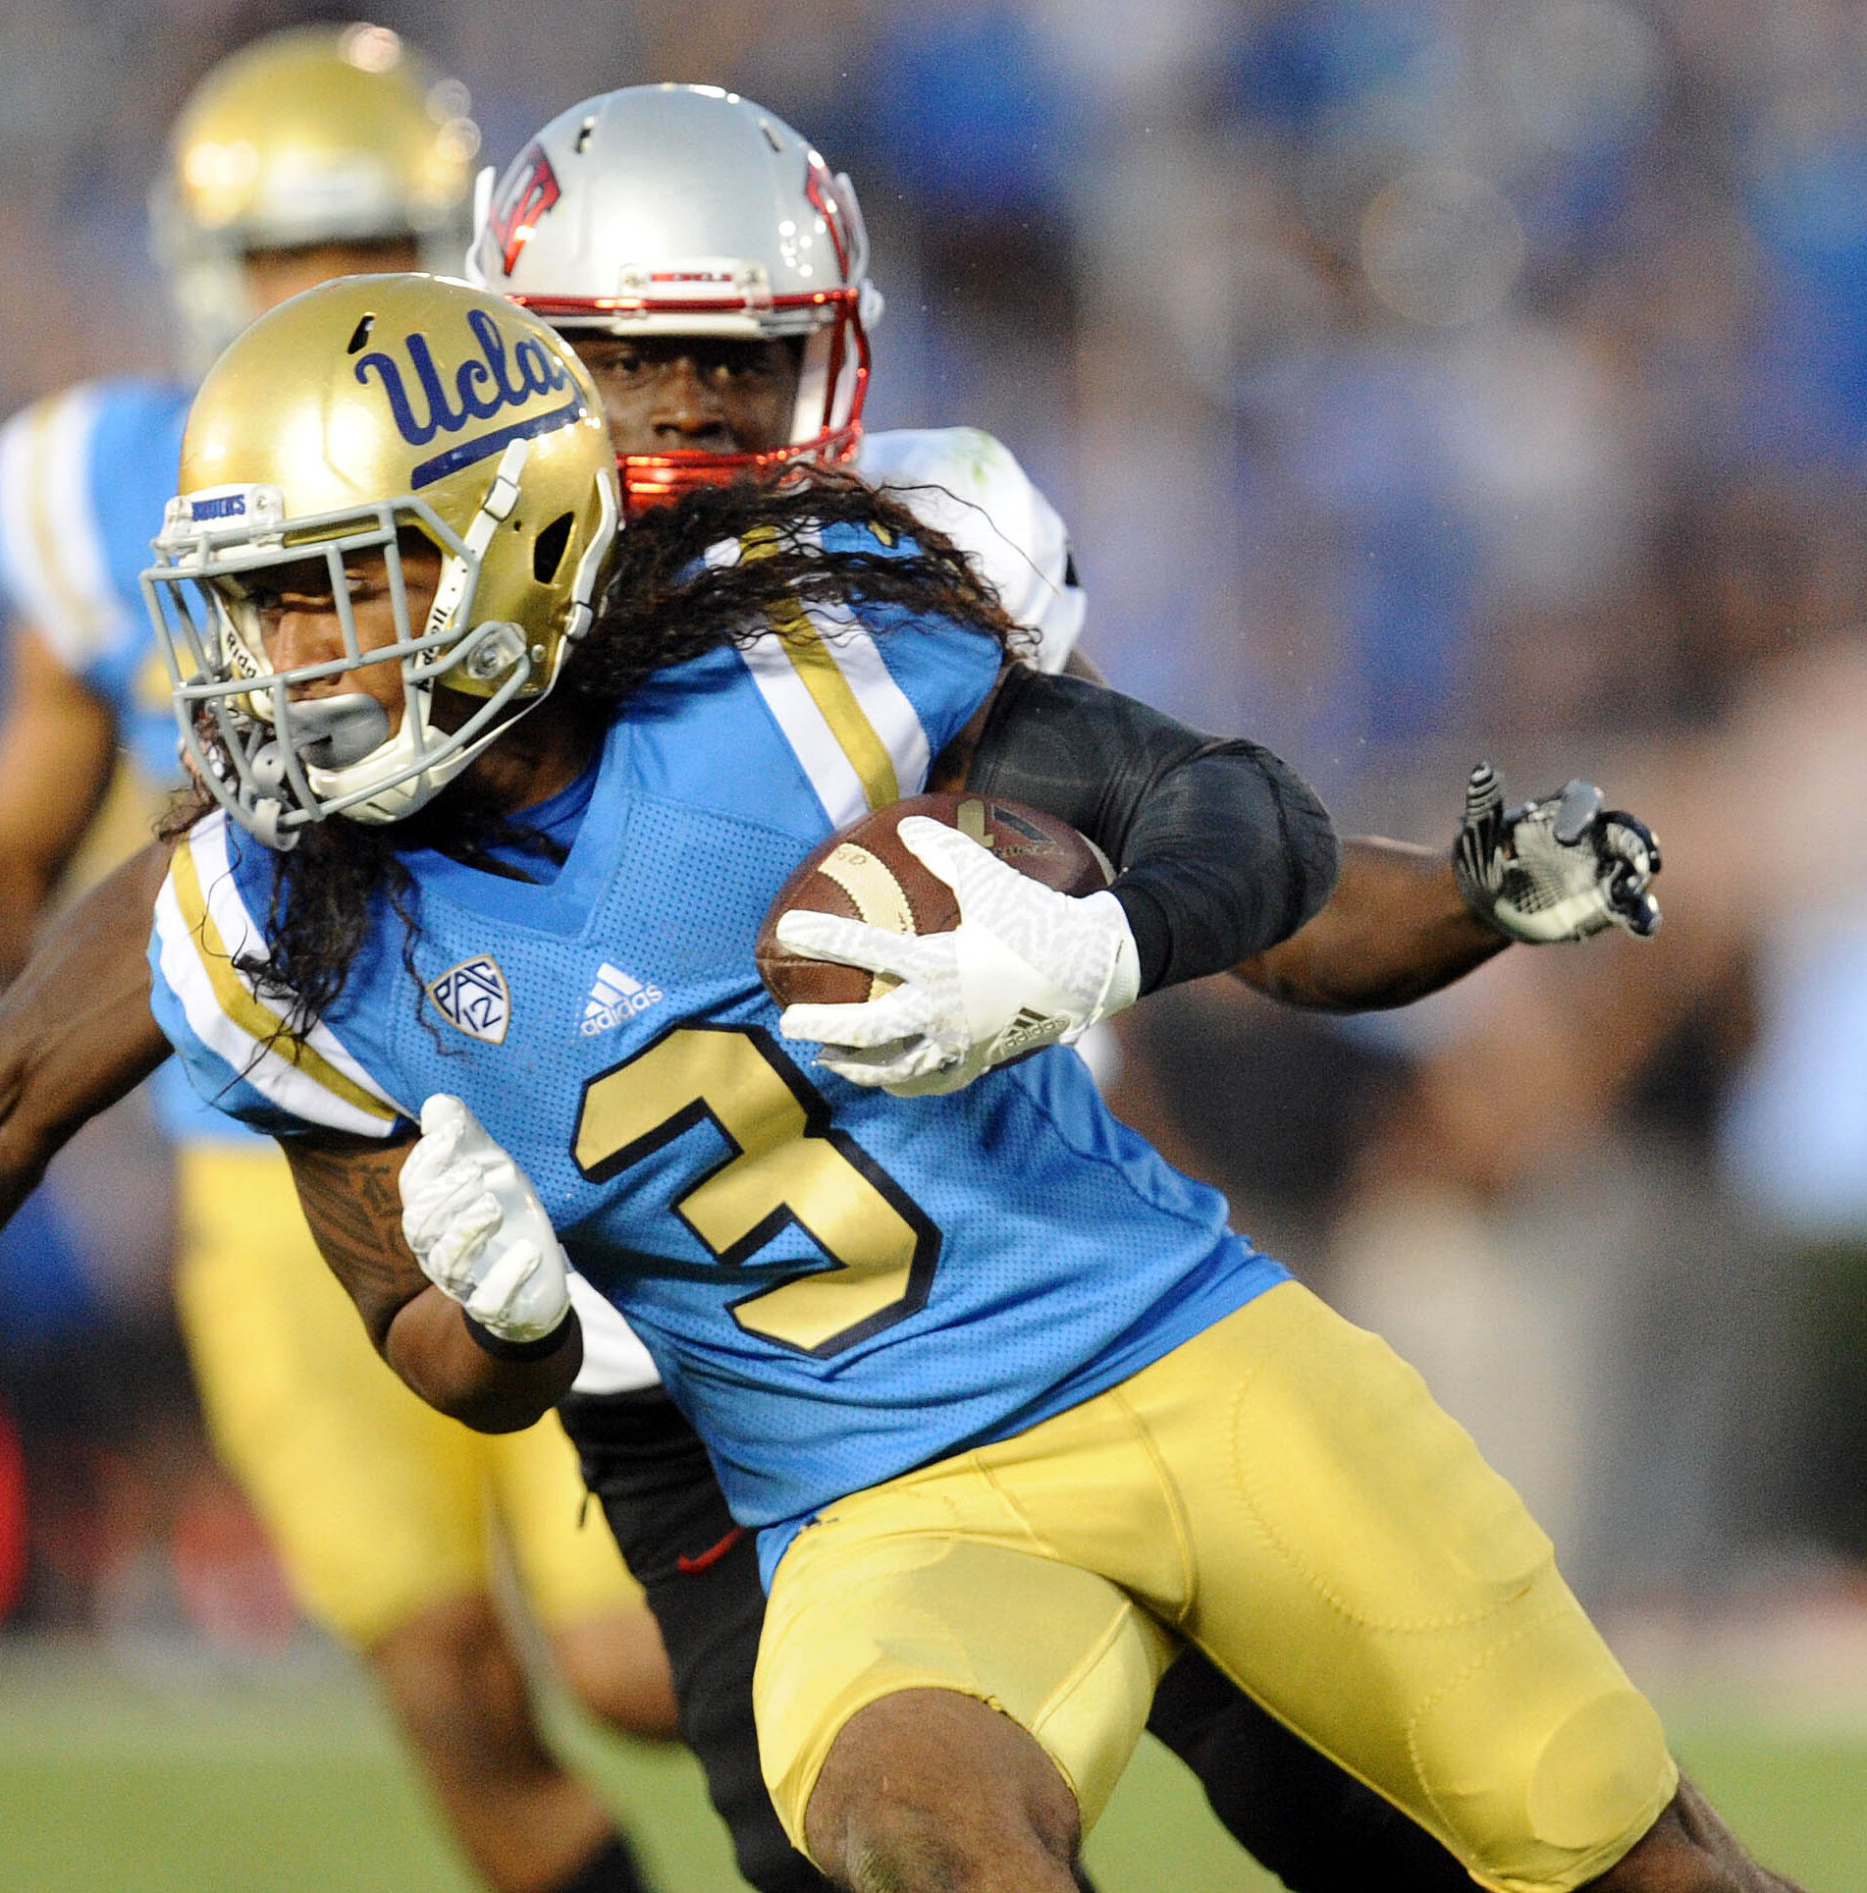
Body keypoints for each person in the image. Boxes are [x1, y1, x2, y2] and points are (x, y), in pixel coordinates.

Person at [0, 276, 1780, 1893]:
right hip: (878, 1509)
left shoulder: (801, 684)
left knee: (1613, 1853)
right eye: (254, 607)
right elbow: (32, 1132)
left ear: (502, 547)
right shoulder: (260, 917)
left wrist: (1120, 933)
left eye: (329, 593)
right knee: (912, 1834)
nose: (274, 664)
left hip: (1190, 1366)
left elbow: (1245, 833)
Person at [465, 82, 1661, 1893]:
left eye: (742, 360)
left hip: (1061, 1291)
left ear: (833, 359)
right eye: (635, 362)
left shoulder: (918, 556)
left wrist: (1470, 901)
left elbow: (1188, 833)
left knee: (1371, 1820)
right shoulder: (424, 625)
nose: (695, 411)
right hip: (724, 1380)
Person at [0, 33, 670, 1893]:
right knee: (443, 1674)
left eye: (363, 235)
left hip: (537, 1113)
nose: (320, 287)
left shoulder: (536, 459)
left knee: (628, 1656)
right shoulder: (91, 478)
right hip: (273, 1164)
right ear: (209, 268)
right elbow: (13, 834)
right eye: (287, 250)